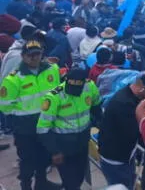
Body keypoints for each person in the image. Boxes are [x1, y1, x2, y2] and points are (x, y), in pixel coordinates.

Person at [0, 40, 61, 190]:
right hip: (25, 127)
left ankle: (41, 183)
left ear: (42, 54)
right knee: (27, 160)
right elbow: (5, 106)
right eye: (30, 55)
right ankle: (26, 186)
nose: (34, 58)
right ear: (23, 56)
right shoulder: (13, 79)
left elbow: (58, 92)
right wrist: (22, 115)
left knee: (44, 156)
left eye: (37, 54)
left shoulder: (52, 69)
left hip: (47, 123)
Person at [36, 68, 102, 190]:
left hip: (82, 142)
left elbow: (96, 107)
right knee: (70, 182)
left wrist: (102, 127)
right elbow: (43, 128)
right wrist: (54, 151)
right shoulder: (54, 97)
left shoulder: (90, 86)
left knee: (80, 176)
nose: (74, 92)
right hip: (63, 146)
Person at [99, 74, 145, 188]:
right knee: (122, 186)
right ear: (143, 89)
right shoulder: (124, 105)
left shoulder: (128, 96)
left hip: (124, 156)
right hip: (117, 160)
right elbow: (134, 133)